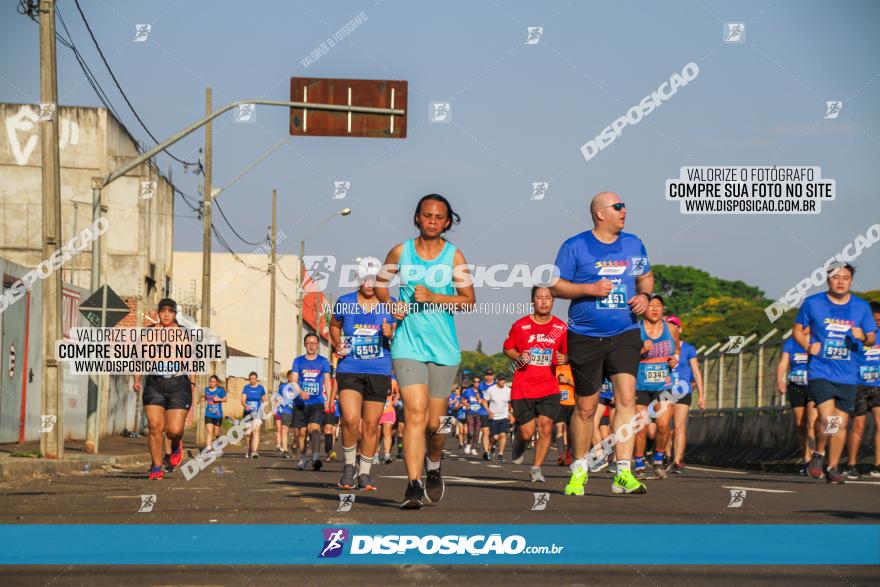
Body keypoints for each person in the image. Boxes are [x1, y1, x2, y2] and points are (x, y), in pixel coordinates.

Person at [375, 193, 475, 509]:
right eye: (427, 215)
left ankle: (434, 463)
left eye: (438, 217)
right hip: (407, 345)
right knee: (414, 414)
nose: (432, 221)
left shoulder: (454, 256)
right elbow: (380, 284)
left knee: (436, 424)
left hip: (444, 348)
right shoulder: (400, 251)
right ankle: (413, 485)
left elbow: (468, 300)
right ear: (417, 217)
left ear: (447, 222)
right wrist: (391, 304)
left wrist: (433, 296)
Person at [550, 191, 653, 496]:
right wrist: (588, 288)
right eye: (618, 206)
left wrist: (644, 297)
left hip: (624, 333)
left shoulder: (634, 244)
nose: (624, 210)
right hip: (585, 336)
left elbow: (645, 277)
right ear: (600, 213)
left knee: (626, 400)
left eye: (625, 205)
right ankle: (579, 469)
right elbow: (555, 286)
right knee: (586, 407)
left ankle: (623, 471)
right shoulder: (575, 246)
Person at [794, 263, 877, 483]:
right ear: (827, 279)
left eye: (845, 277)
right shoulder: (813, 303)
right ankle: (820, 453)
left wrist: (863, 336)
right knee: (827, 417)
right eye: (835, 277)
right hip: (821, 371)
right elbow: (797, 330)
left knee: (839, 424)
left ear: (851, 280)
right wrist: (807, 345)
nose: (840, 281)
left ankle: (831, 466)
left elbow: (870, 337)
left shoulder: (860, 307)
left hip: (848, 375)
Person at [331, 257, 395, 490]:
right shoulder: (345, 302)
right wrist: (337, 343)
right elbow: (334, 325)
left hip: (379, 370)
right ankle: (349, 466)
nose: (369, 284)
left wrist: (391, 332)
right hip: (350, 368)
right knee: (349, 419)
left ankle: (365, 472)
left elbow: (401, 333)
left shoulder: (390, 303)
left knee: (371, 424)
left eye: (374, 280)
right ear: (358, 279)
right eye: (365, 280)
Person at [505, 286, 568, 483]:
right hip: (523, 387)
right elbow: (507, 348)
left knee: (546, 426)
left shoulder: (560, 328)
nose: (543, 301)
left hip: (549, 387)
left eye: (548, 298)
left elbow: (567, 354)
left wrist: (564, 358)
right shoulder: (520, 325)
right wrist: (518, 356)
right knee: (527, 432)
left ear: (553, 301)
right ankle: (520, 441)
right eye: (539, 298)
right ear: (533, 301)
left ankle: (536, 468)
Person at [133, 298, 196, 480]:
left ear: (175, 314)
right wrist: (137, 378)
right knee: (154, 427)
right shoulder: (148, 333)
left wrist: (192, 383)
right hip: (154, 382)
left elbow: (192, 360)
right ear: (158, 313)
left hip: (178, 383)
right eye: (163, 311)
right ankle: (156, 467)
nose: (166, 314)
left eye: (170, 311)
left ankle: (175, 445)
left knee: (174, 430)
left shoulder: (184, 333)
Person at [633, 295, 679, 480]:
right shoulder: (635, 329)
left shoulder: (671, 329)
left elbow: (676, 351)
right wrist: (641, 350)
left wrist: (674, 359)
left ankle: (658, 460)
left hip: (663, 384)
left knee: (663, 427)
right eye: (650, 305)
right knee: (641, 427)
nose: (654, 309)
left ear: (662, 309)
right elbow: (625, 355)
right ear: (643, 308)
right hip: (640, 383)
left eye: (658, 306)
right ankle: (638, 463)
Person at [843, 302, 880, 479]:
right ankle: (851, 464)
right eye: (875, 320)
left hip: (878, 385)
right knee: (858, 424)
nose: (878, 323)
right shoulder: (855, 334)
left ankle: (878, 465)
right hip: (857, 385)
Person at [665, 315, 704, 474]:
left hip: (683, 391)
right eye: (668, 325)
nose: (672, 328)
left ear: (680, 329)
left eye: (674, 325)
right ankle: (665, 455)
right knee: (665, 427)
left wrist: (701, 395)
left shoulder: (688, 348)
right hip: (665, 390)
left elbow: (696, 371)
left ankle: (677, 461)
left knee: (680, 427)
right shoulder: (662, 347)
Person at [776, 328, 816, 475]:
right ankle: (807, 458)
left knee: (811, 424)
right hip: (796, 386)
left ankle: (811, 459)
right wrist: (780, 380)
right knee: (801, 425)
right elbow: (783, 363)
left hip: (814, 386)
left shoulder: (817, 340)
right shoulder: (790, 343)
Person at [292, 333, 334, 472]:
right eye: (309, 343)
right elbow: (294, 381)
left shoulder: (323, 362)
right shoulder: (298, 361)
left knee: (315, 429)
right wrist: (300, 392)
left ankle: (315, 458)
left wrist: (329, 399)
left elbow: (327, 382)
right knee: (302, 432)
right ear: (305, 344)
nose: (311, 346)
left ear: (317, 345)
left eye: (314, 343)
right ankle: (303, 458)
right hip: (300, 402)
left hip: (317, 401)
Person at [485, 373, 511, 462]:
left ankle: (500, 454)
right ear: (497, 381)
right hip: (494, 417)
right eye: (500, 380)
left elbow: (510, 402)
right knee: (495, 437)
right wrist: (489, 411)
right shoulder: (491, 389)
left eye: (504, 380)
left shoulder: (508, 390)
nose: (502, 382)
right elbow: (484, 402)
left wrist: (510, 413)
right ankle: (491, 448)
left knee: (503, 435)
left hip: (504, 416)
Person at [240, 371, 267, 459]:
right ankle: (248, 449)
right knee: (248, 434)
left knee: (256, 431)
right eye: (251, 379)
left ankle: (254, 451)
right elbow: (243, 400)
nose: (253, 380)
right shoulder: (246, 388)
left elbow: (264, 400)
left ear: (256, 379)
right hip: (248, 414)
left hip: (258, 414)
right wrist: (245, 405)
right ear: (249, 379)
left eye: (254, 379)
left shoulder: (261, 388)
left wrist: (265, 410)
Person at [273, 370, 299, 458]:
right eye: (292, 377)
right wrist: (276, 409)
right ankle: (285, 450)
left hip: (296, 411)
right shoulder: (283, 386)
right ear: (288, 377)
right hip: (286, 411)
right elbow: (277, 397)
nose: (294, 378)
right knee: (284, 429)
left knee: (297, 433)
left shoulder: (299, 386)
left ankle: (294, 445)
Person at [555, 363, 575, 466]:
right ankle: (560, 455)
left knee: (570, 432)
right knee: (559, 428)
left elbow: (580, 386)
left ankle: (568, 451)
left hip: (572, 404)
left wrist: (567, 381)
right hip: (559, 404)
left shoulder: (572, 368)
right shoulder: (555, 367)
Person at [462, 376, 486, 456]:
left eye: (478, 382)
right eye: (475, 381)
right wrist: (466, 404)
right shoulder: (468, 391)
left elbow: (485, 401)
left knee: (477, 431)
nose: (477, 383)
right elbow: (462, 400)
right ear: (473, 382)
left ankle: (474, 448)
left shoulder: (482, 392)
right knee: (470, 431)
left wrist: (480, 400)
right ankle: (468, 444)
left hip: (479, 413)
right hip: (470, 413)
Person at [204, 375, 227, 456]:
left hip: (218, 414)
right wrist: (201, 400)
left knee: (216, 434)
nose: (212, 383)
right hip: (208, 413)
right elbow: (204, 397)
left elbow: (225, 399)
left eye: (214, 382)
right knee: (209, 432)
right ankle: (209, 450)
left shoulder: (220, 391)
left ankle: (219, 447)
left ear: (216, 382)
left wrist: (219, 399)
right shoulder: (206, 389)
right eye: (211, 381)